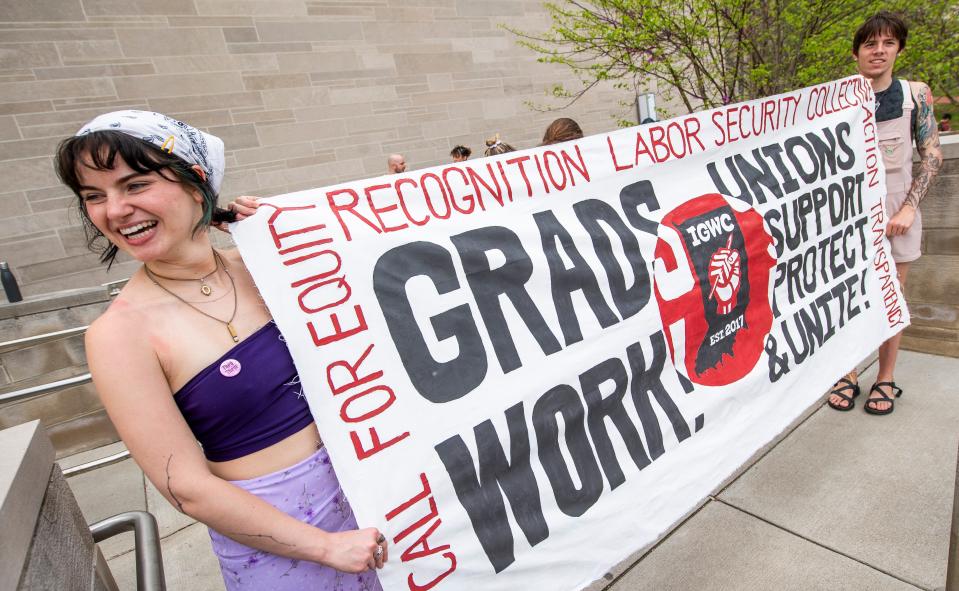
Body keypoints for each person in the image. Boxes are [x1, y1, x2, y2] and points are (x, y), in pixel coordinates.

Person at [55, 110, 387, 590]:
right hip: (281, 543)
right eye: (93, 196)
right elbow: (186, 488)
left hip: (379, 495)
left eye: (134, 185)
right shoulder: (118, 335)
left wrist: (286, 236)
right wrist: (324, 547)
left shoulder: (267, 266)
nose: (114, 210)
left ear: (197, 185)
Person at [827, 12, 943, 415]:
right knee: (849, 297)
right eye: (870, 44)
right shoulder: (837, 100)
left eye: (888, 43)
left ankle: (885, 377)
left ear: (898, 49)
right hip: (849, 216)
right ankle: (850, 372)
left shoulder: (916, 95)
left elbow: (932, 154)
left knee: (891, 298)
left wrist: (910, 208)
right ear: (856, 53)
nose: (879, 51)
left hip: (897, 213)